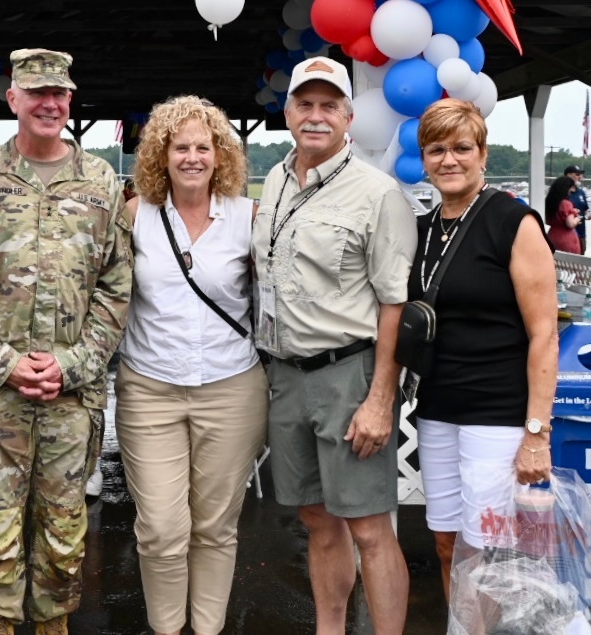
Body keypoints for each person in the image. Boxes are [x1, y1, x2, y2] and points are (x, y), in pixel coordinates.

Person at [0, 48, 132, 635]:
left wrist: (73, 364)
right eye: (37, 92)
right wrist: (4, 362)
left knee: (66, 533)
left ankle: (53, 627)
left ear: (71, 100)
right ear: (13, 98)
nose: (50, 103)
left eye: (60, 93)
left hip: (71, 395)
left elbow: (117, 285)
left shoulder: (99, 180)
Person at [251, 56, 416, 634]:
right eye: (305, 104)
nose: (315, 116)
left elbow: (393, 303)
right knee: (317, 519)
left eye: (329, 106)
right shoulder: (273, 178)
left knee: (370, 526)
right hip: (286, 375)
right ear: (288, 110)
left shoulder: (378, 193)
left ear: (349, 116)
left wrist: (379, 400)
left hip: (348, 374)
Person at [114, 95, 269, 635]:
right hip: (150, 388)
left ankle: (206, 629)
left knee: (215, 526)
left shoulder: (249, 217)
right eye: (180, 147)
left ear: (221, 155)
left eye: (204, 146)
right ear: (161, 155)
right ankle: (165, 628)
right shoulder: (135, 214)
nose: (193, 157)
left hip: (231, 387)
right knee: (160, 526)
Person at [408, 98, 556, 602]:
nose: (448, 160)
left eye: (461, 148)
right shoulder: (424, 230)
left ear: (483, 154)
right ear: (424, 159)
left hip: (496, 412)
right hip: (437, 409)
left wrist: (536, 432)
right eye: (436, 150)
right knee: (447, 544)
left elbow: (544, 335)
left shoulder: (514, 222)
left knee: (486, 550)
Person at [545, 175, 581, 254]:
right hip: (566, 240)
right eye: (570, 187)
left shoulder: (549, 202)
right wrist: (577, 218)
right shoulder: (566, 204)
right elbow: (570, 224)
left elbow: (547, 221)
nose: (571, 190)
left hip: (551, 236)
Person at [565, 164, 588, 254]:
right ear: (568, 175)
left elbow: (585, 209)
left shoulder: (581, 192)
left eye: (581, 175)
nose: (580, 177)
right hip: (568, 235)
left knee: (581, 262)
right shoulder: (563, 193)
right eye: (577, 174)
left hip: (581, 234)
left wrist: (588, 213)